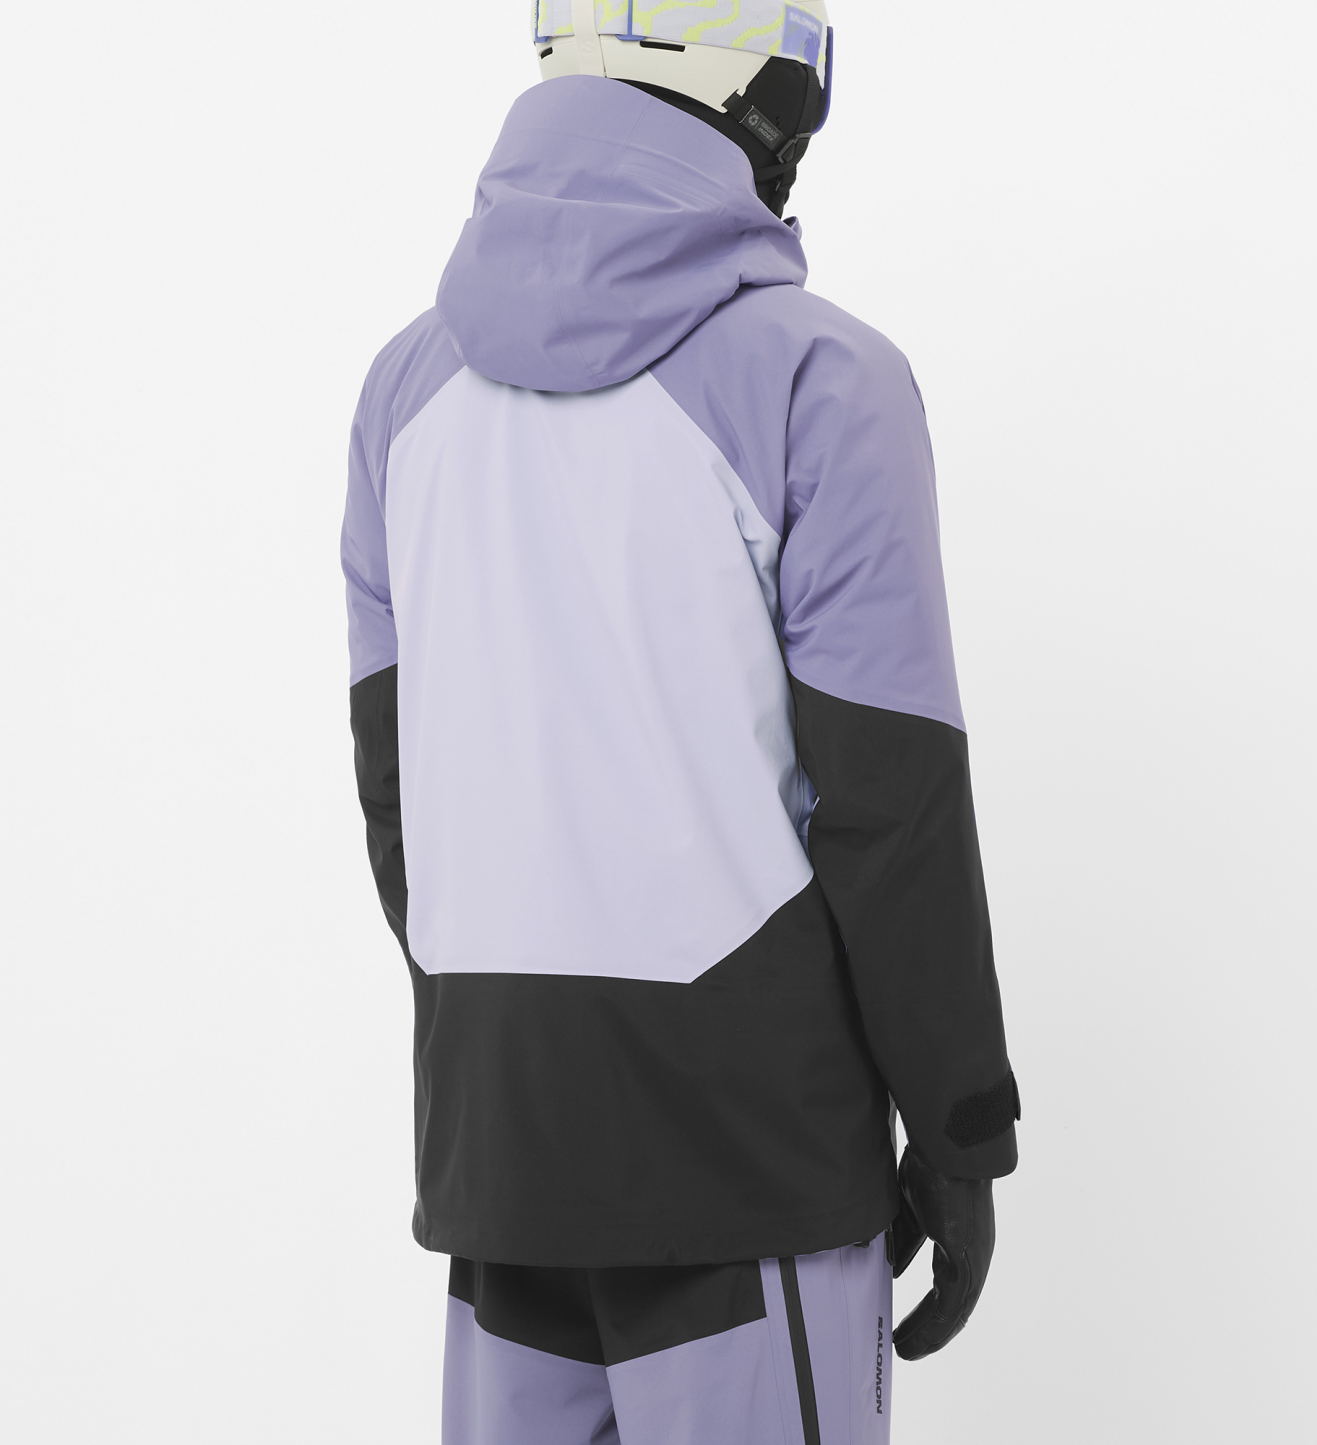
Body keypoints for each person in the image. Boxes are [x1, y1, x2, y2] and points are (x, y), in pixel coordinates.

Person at [340, 5, 1020, 1441]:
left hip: (498, 1148)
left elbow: (400, 803)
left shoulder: (403, 393)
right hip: (746, 1164)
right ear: (761, 90)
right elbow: (890, 800)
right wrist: (962, 1125)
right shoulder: (821, 380)